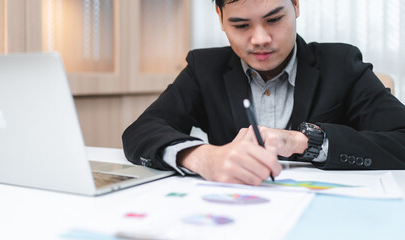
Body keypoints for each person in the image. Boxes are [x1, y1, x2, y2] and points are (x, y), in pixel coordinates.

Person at [122, 0, 405, 185]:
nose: (260, 40)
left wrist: (304, 141)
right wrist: (201, 156)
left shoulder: (340, 64)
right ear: (220, 18)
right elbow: (143, 130)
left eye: (273, 20)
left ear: (295, 6)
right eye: (241, 25)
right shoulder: (204, 67)